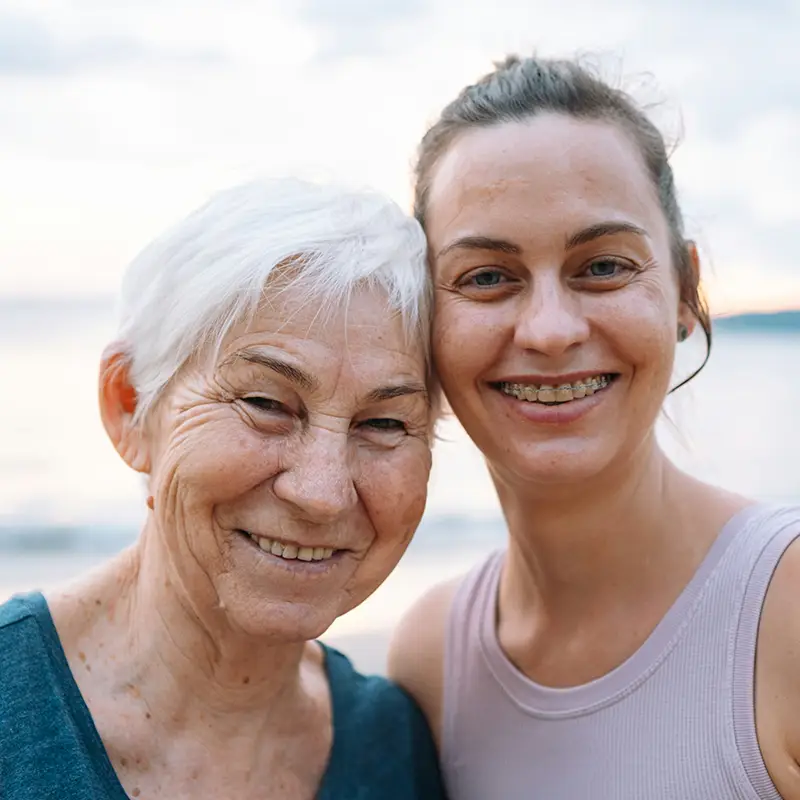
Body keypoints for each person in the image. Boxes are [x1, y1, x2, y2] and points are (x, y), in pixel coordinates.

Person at [388, 54, 800, 799]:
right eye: (488, 277)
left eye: (603, 266)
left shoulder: (786, 611)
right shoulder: (431, 660)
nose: (549, 330)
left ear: (685, 291)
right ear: (425, 320)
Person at [0, 178, 447, 799]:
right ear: (129, 407)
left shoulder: (395, 749)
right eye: (266, 403)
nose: (322, 493)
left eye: (384, 423)